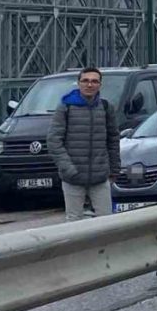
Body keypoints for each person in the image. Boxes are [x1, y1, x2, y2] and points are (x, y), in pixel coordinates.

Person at [46, 66, 120, 221]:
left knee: (107, 221)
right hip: (73, 177)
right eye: (85, 81)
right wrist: (68, 168)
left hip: (100, 176)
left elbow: (113, 139)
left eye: (94, 81)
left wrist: (114, 169)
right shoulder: (65, 107)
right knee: (74, 221)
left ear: (100, 85)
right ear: (78, 83)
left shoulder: (106, 108)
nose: (89, 85)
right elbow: (54, 141)